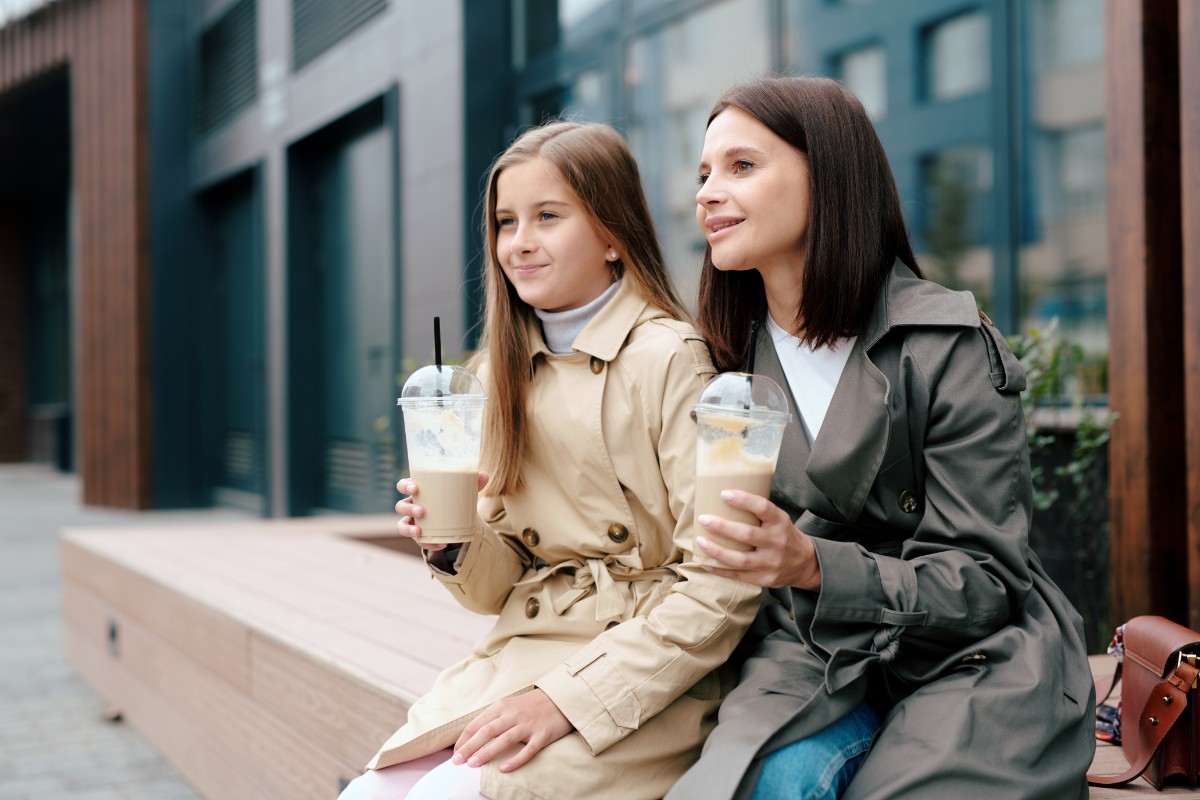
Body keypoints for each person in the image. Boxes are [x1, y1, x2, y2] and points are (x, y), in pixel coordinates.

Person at [665, 76, 1096, 800]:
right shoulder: (718, 359)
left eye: (742, 166)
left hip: (972, 654)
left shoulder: (947, 345)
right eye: (704, 173)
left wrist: (811, 564)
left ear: (828, 177)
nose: (707, 193)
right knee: (757, 786)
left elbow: (986, 582)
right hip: (809, 649)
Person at [339, 120, 761, 800]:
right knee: (371, 794)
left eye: (548, 216)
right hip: (527, 651)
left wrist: (571, 699)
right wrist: (455, 542)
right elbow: (494, 588)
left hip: (648, 671)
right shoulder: (491, 372)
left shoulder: (671, 358)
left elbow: (721, 580)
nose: (520, 242)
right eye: (506, 222)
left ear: (613, 235)